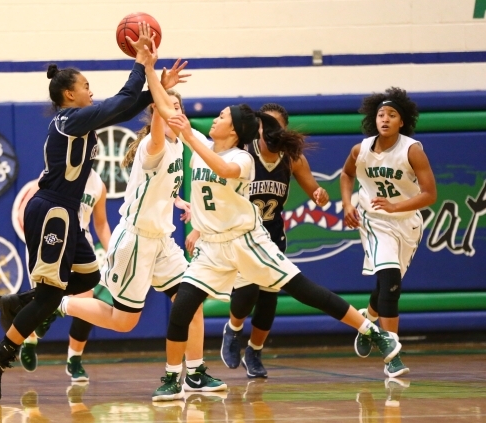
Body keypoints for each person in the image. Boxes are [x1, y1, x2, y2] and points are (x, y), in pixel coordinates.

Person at [0, 23, 186, 401]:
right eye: (85, 85)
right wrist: (141, 64)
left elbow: (126, 106)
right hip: (53, 210)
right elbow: (122, 102)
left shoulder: (78, 118)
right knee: (49, 298)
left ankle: (16, 303)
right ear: (69, 94)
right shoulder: (70, 121)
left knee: (87, 279)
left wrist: (159, 87)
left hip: (67, 214)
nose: (91, 90)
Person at [152, 103, 405, 401]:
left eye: (221, 116)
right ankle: (175, 376)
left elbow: (222, 168)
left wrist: (189, 139)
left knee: (303, 290)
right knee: (183, 307)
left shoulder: (242, 158)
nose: (215, 118)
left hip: (247, 241)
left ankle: (371, 331)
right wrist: (149, 69)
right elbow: (168, 111)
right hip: (212, 246)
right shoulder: (203, 143)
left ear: (233, 130)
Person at [59, 42, 227, 399]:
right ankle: (58, 304)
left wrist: (180, 201)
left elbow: (203, 165)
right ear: (158, 113)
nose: (175, 111)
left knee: (190, 301)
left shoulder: (187, 141)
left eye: (179, 107)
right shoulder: (155, 146)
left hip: (163, 240)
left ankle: (193, 373)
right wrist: (152, 75)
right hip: (135, 239)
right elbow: (159, 115)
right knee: (124, 322)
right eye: (169, 107)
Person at [184, 103, 329, 379]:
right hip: (240, 233)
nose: (269, 132)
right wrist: (198, 230)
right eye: (265, 126)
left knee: (269, 299)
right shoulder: (242, 155)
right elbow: (219, 200)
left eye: (276, 127)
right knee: (247, 291)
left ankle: (255, 350)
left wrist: (320, 194)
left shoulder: (291, 157)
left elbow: (313, 188)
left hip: (271, 233)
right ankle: (234, 329)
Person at [340, 87, 437, 378]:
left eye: (392, 115)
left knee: (386, 287)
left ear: (402, 121)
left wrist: (397, 207)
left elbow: (430, 194)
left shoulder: (412, 150)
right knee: (390, 280)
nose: (385, 118)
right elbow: (346, 174)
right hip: (375, 221)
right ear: (374, 119)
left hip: (407, 222)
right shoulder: (361, 149)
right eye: (381, 114)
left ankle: (368, 323)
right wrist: (348, 204)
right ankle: (392, 354)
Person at [15, 169, 111, 382]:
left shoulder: (97, 185)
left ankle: (74, 360)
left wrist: (113, 252)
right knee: (41, 300)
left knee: (87, 304)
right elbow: (26, 209)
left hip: (79, 243)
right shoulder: (56, 171)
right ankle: (29, 340)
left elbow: (101, 223)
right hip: (52, 241)